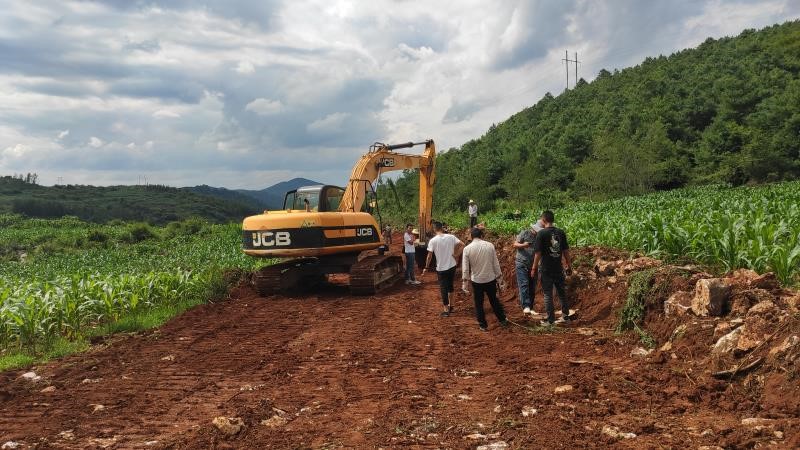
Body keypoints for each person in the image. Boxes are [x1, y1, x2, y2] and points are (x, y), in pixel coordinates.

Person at [530, 210, 573, 325]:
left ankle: (551, 320)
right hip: (558, 268)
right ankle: (566, 317)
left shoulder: (541, 234)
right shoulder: (560, 232)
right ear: (552, 220)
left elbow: (538, 254)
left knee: (548, 294)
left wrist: (533, 268)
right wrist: (569, 265)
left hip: (546, 269)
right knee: (562, 293)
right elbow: (566, 251)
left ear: (543, 220)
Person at [462, 227, 508, 331]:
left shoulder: (467, 249)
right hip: (490, 279)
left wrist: (465, 285)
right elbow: (496, 264)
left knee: (478, 303)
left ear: (471, 237)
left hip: (476, 280)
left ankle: (483, 325)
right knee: (494, 300)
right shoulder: (490, 246)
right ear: (482, 236)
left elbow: (465, 269)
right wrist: (500, 281)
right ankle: (502, 319)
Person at [422, 221, 464, 317]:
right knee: (450, 286)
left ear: (434, 229)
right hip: (452, 265)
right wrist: (457, 254)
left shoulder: (433, 241)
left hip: (441, 268)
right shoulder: (451, 237)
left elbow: (429, 256)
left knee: (443, 288)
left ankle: (446, 309)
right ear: (442, 228)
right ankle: (452, 306)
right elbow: (462, 244)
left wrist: (426, 267)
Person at [512, 220, 543, 316]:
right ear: (533, 228)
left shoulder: (540, 238)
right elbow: (515, 244)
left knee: (532, 286)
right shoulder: (524, 233)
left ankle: (530, 307)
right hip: (521, 263)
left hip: (533, 265)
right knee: (524, 284)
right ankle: (526, 306)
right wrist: (524, 245)